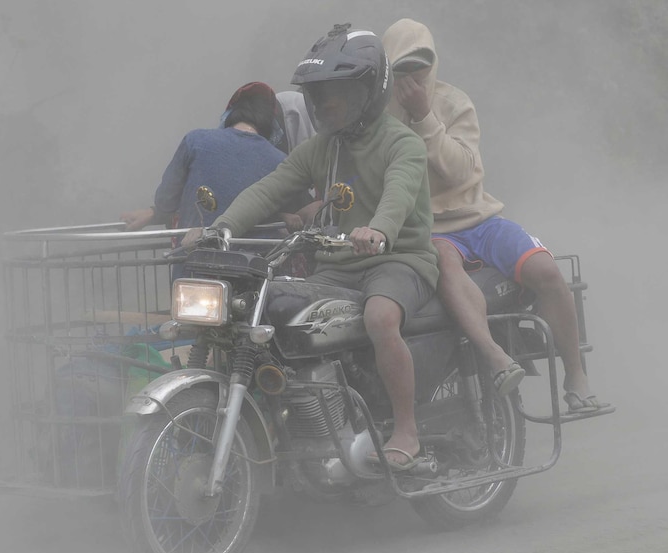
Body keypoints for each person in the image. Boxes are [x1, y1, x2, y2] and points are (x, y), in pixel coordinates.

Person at [184, 23, 439, 470]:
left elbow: (397, 196)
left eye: (336, 90)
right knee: (276, 311)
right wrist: (220, 228)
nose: (323, 102)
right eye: (317, 93)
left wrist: (377, 230)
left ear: (368, 89)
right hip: (338, 265)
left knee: (381, 316)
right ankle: (307, 426)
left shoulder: (404, 143)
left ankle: (406, 429)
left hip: (398, 260)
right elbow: (270, 189)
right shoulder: (322, 148)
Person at [381, 18, 609, 413]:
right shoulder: (380, 120)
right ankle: (496, 358)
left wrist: (424, 117)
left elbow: (461, 171)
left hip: (481, 218)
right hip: (431, 230)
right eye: (402, 68)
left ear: (432, 63)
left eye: (421, 66)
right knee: (447, 269)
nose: (413, 78)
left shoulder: (454, 103)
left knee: (548, 272)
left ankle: (576, 375)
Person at [120, 82, 299, 233]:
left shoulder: (195, 141)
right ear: (272, 124)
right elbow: (284, 210)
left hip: (195, 262)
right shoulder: (280, 161)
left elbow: (165, 202)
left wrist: (155, 213)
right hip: (253, 266)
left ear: (230, 113)